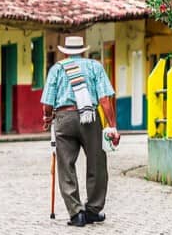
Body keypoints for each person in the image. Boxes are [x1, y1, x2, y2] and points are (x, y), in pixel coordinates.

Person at [41, 35, 120, 227]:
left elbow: (47, 102)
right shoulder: (94, 67)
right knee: (97, 162)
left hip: (63, 118)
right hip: (89, 117)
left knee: (65, 165)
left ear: (65, 52)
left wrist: (47, 118)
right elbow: (104, 100)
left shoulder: (57, 69)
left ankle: (76, 213)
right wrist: (112, 126)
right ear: (83, 51)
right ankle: (93, 210)